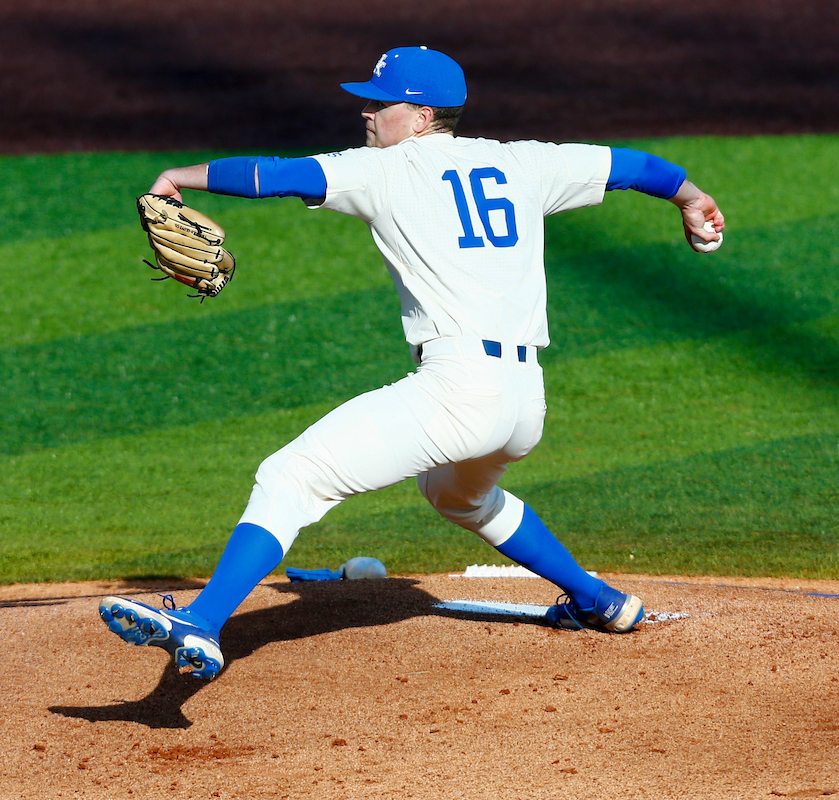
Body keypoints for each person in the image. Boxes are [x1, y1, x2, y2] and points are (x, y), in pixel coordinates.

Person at [100, 46, 725, 679]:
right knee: (460, 498)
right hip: (521, 403)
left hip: (457, 391)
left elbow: (278, 174)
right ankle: (601, 601)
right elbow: (636, 166)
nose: (366, 114)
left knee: (291, 475)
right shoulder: (525, 162)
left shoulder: (384, 171)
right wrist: (692, 199)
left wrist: (180, 176)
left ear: (422, 116)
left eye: (379, 103)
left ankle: (202, 623)